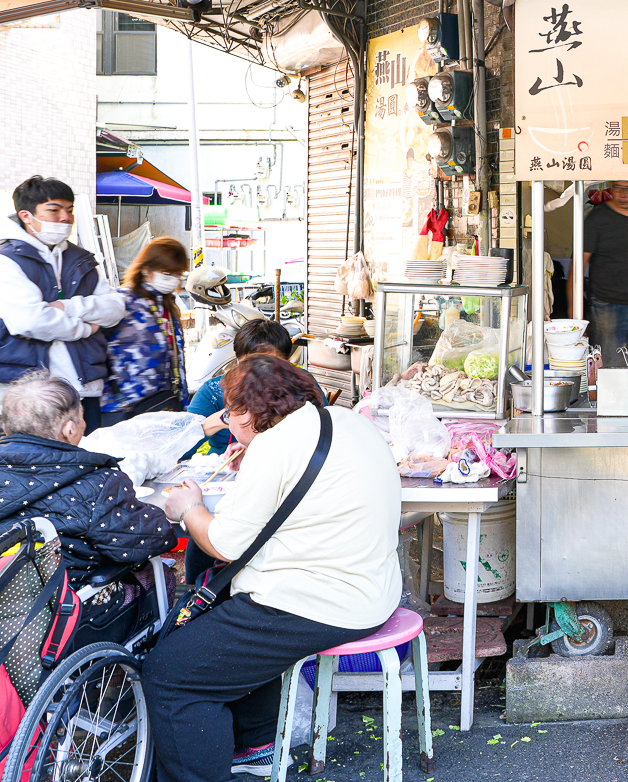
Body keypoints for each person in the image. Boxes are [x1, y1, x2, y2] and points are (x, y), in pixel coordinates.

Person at [147, 354, 400, 781]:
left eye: (230, 413)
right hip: (373, 587)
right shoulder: (345, 419)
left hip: (322, 602)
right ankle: (255, 747)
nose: (228, 423)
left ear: (249, 412)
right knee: (224, 617)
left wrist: (188, 509)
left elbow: (226, 543)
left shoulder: (275, 445)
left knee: (171, 673)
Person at [0, 370, 177, 649]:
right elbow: (150, 540)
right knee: (159, 573)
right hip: (63, 617)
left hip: (7, 614)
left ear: (8, 429)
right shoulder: (95, 480)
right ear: (70, 429)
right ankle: (134, 675)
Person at [0, 176, 124, 432]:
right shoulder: (8, 260)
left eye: (69, 210)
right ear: (26, 215)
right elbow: (31, 321)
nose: (65, 218)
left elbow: (115, 308)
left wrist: (68, 308)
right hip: (27, 393)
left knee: (85, 460)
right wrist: (86, 329)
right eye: (54, 210)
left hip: (83, 387)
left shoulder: (80, 259)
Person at [187, 318, 322, 459]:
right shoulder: (214, 391)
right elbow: (179, 448)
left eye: (271, 364)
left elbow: (323, 433)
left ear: (287, 362)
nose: (260, 373)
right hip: (225, 470)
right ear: (237, 359)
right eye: (251, 364)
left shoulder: (302, 383)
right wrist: (222, 418)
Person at [102, 237, 191, 427]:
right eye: (167, 272)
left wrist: (183, 403)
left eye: (178, 273)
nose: (173, 279)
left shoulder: (169, 305)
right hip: (122, 410)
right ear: (146, 268)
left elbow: (176, 361)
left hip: (161, 406)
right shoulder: (120, 301)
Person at [577, 180, 628, 368]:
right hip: (607, 304)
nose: (623, 194)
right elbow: (578, 264)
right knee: (609, 364)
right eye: (618, 188)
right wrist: (575, 315)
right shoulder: (597, 218)